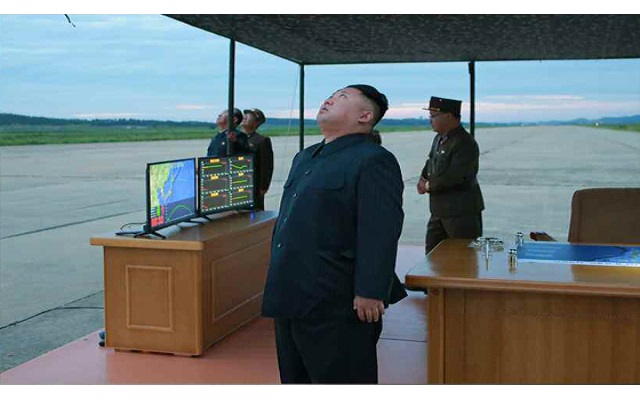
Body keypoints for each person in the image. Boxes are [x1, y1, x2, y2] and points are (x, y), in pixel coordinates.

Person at [261, 84, 407, 384]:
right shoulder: (306, 157)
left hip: (334, 298)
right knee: (295, 379)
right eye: (331, 95)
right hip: (290, 292)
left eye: (343, 97)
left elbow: (380, 229)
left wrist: (371, 290)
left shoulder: (372, 159)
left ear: (365, 116)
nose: (329, 100)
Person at [417, 96, 484, 254]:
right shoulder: (439, 138)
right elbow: (431, 161)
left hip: (460, 213)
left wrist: (428, 186)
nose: (430, 120)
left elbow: (456, 176)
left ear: (448, 116)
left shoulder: (464, 142)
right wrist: (422, 178)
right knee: (433, 256)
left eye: (434, 116)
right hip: (439, 211)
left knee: (463, 256)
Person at [241, 108, 274, 210]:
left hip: (253, 186)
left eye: (249, 116)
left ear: (257, 122)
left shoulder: (261, 140)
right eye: (244, 115)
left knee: (254, 213)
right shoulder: (237, 138)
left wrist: (263, 186)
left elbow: (266, 165)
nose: (245, 117)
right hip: (239, 183)